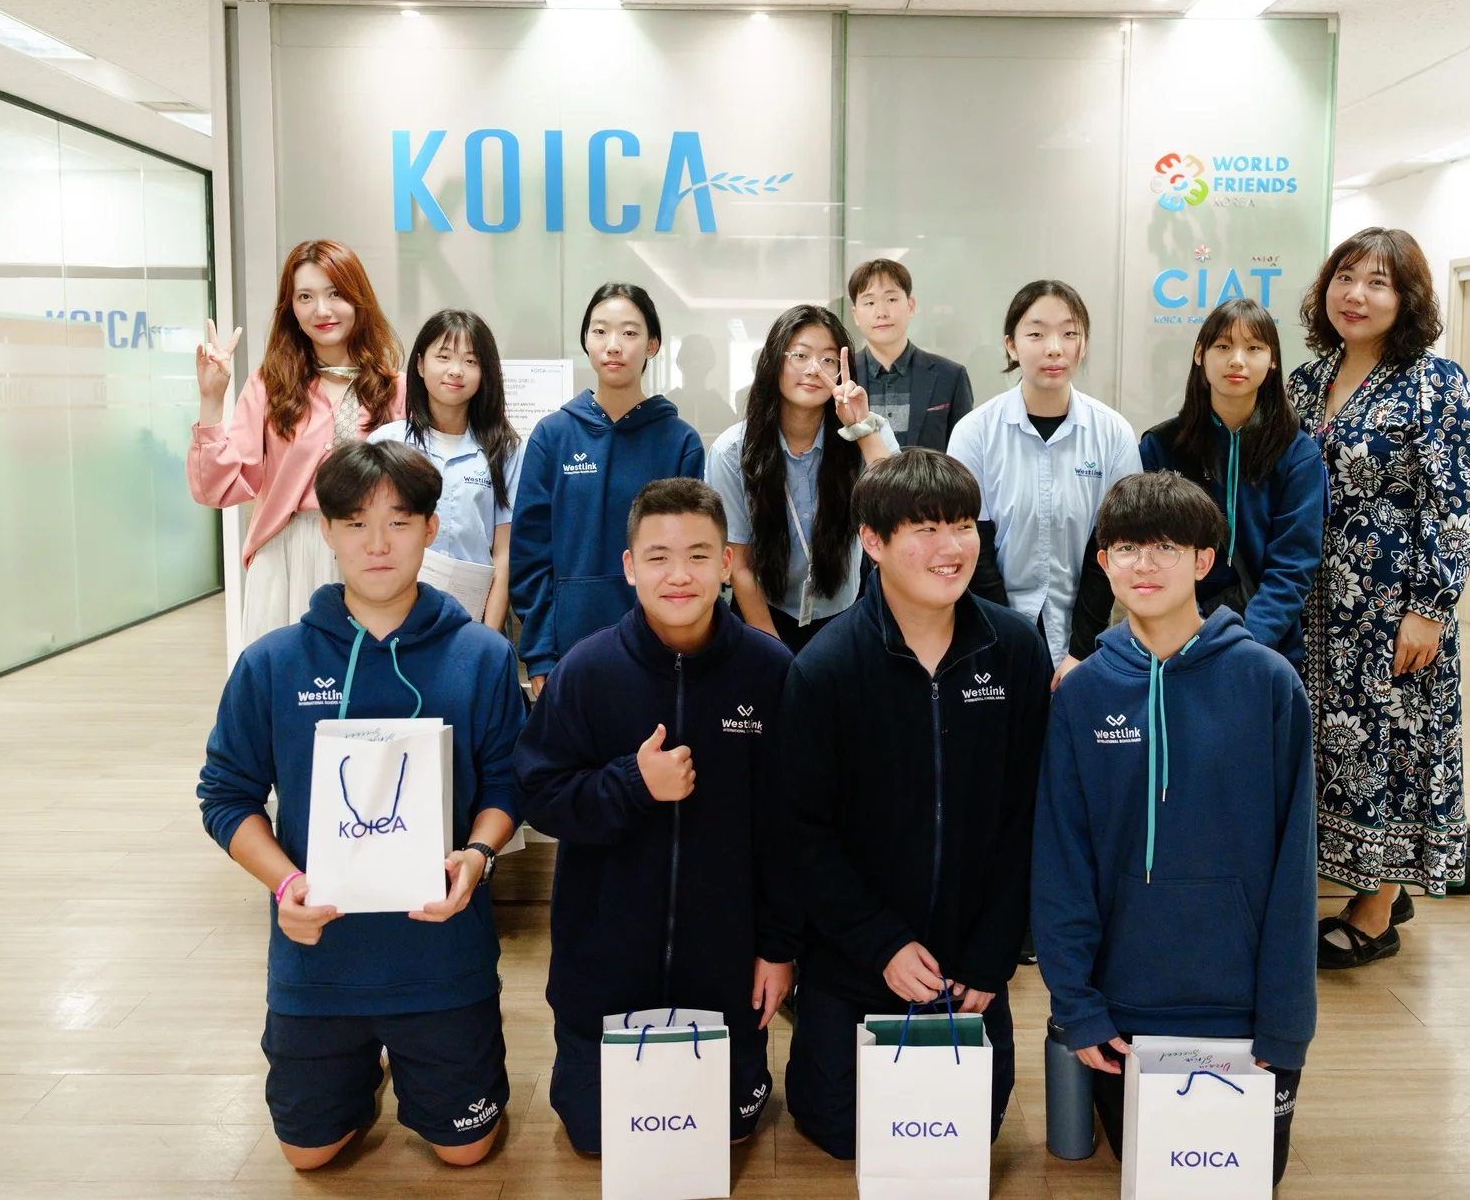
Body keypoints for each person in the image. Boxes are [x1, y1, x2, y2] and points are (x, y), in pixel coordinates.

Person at [195, 440, 525, 1172]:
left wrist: (478, 855)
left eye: (399, 522)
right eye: (355, 523)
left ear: (431, 529)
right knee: (307, 1154)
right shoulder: (273, 662)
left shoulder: (481, 655)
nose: (378, 544)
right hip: (319, 956)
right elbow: (225, 794)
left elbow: (507, 783)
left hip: (442, 952)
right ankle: (357, 1068)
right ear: (326, 530)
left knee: (466, 1149)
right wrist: (286, 882)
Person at [1032, 471, 1315, 1186]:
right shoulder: (1082, 694)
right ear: (1104, 562)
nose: (1145, 564)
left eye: (1166, 546)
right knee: (1149, 1175)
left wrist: (1285, 1026)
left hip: (1244, 1013)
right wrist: (1078, 1008)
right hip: (1124, 1014)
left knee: (1243, 1182)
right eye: (1127, 548)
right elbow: (1062, 860)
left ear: (1203, 559)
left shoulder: (1269, 683)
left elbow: (1296, 872)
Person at [780, 448, 1051, 1160]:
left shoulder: (1016, 650)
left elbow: (1030, 814)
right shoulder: (825, 666)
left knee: (965, 1137)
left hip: (971, 964)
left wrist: (993, 954)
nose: (950, 547)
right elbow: (802, 833)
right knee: (840, 1131)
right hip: (857, 957)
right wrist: (882, 944)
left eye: (962, 525)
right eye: (926, 529)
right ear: (873, 542)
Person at [514, 478, 796, 1155]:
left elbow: (793, 826)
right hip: (603, 970)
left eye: (698, 555)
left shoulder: (770, 671)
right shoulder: (586, 671)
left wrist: (779, 946)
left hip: (726, 968)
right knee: (595, 1139)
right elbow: (538, 792)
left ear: (726, 564)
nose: (679, 575)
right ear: (629, 566)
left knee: (731, 1132)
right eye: (658, 556)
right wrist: (632, 785)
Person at [1286, 227, 1470, 968]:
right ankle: (1366, 882)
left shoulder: (1435, 384)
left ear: (1407, 299)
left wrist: (1430, 607)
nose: (1356, 295)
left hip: (1392, 610)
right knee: (1331, 747)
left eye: (1377, 282)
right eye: (1345, 277)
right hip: (1313, 604)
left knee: (1391, 746)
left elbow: (1455, 505)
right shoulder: (1306, 380)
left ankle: (1377, 909)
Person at [1069, 298, 1324, 668]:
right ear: (1200, 354)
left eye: (1254, 348)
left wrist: (1245, 645)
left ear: (1272, 362)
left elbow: (1292, 567)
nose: (1237, 360)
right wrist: (1187, 639)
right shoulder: (1161, 446)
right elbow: (1144, 548)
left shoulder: (1297, 453)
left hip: (1265, 649)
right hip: (1171, 644)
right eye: (1223, 346)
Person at [190, 239, 403, 642]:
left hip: (369, 550)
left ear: (359, 299)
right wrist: (212, 401)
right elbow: (218, 489)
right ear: (290, 308)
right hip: (285, 554)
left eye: (335, 293)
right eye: (305, 296)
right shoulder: (270, 385)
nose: (321, 310)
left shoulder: (394, 390)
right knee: (284, 672)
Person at [510, 283, 706, 696]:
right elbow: (530, 557)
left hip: (659, 651)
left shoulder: (680, 442)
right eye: (600, 331)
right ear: (585, 340)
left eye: (629, 332)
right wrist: (541, 653)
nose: (613, 345)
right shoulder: (552, 436)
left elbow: (687, 558)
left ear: (652, 345)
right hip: (567, 653)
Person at [946, 279, 1139, 682]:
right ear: (1011, 345)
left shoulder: (1113, 433)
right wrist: (1006, 644)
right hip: (991, 635)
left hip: (1084, 638)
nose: (1054, 348)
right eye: (1036, 334)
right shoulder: (975, 433)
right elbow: (971, 547)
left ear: (1083, 344)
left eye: (1069, 334)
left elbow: (1113, 548)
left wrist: (1080, 651)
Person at [707, 304, 896, 653]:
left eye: (828, 360)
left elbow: (900, 511)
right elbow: (741, 565)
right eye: (800, 355)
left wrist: (860, 427)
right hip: (763, 615)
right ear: (774, 362)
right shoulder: (731, 451)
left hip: (847, 613)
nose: (814, 369)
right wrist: (774, 652)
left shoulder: (869, 431)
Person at [370, 309, 521, 631]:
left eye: (470, 361)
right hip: (397, 612)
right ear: (420, 365)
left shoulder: (505, 450)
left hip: (474, 616)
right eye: (443, 357)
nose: (456, 370)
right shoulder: (386, 443)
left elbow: (504, 554)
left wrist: (488, 636)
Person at [847, 258, 974, 451]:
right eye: (870, 302)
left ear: (911, 306)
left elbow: (964, 454)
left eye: (891, 299)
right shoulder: (843, 378)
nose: (881, 312)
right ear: (856, 315)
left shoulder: (950, 376)